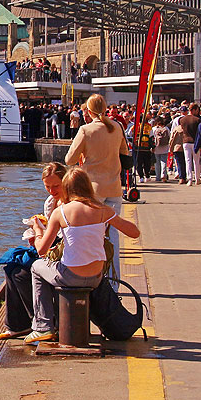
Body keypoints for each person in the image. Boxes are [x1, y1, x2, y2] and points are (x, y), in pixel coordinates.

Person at [25, 167, 141, 344]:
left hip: (71, 276)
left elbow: (41, 250)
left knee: (36, 267)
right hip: (96, 277)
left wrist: (37, 229)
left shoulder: (61, 212)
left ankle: (43, 326)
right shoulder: (103, 210)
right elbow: (134, 233)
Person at [0, 162, 67, 339]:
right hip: (54, 248)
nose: (51, 190)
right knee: (11, 265)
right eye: (47, 186)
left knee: (21, 274)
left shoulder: (68, 204)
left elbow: (47, 247)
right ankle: (18, 324)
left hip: (64, 256)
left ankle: (41, 321)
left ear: (66, 181)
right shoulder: (51, 202)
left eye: (56, 186)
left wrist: (37, 230)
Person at [65, 93, 129, 272]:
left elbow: (70, 159)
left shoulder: (86, 130)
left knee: (93, 233)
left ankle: (94, 275)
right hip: (114, 186)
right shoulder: (116, 127)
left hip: (93, 189)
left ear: (89, 111)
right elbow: (124, 152)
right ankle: (114, 280)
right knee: (113, 234)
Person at [178, 104, 201, 186]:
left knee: (187, 160)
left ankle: (190, 179)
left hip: (185, 141)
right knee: (196, 161)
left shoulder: (182, 120)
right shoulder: (197, 120)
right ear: (194, 110)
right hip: (195, 142)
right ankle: (197, 178)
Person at [152, 116, 171, 182]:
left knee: (157, 163)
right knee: (164, 162)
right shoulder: (166, 128)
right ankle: (163, 175)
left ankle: (157, 177)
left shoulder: (154, 129)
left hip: (156, 148)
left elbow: (152, 137)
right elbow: (169, 136)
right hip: (165, 147)